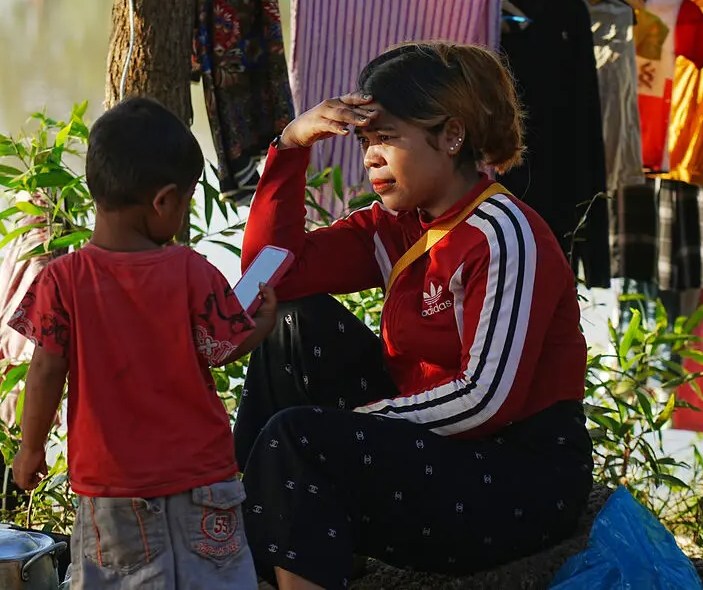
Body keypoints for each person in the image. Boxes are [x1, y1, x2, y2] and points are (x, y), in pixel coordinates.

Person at [235, 42, 593, 590]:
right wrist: (289, 147)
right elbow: (271, 276)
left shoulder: (503, 233)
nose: (370, 157)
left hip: (517, 474)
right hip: (438, 447)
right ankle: (257, 551)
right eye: (364, 141)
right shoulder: (397, 225)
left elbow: (485, 400)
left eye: (386, 138)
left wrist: (354, 425)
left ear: (451, 136)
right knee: (293, 323)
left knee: (299, 439)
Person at [8, 97, 278, 589]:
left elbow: (45, 370)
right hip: (203, 481)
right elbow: (224, 348)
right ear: (163, 201)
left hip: (112, 492)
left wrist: (30, 450)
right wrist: (262, 320)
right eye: (187, 201)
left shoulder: (61, 280)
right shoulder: (193, 271)